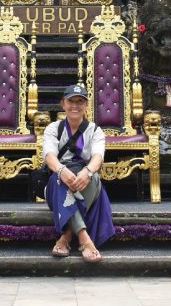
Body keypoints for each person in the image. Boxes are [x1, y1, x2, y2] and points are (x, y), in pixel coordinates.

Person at [42, 84, 114, 263]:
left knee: (94, 178)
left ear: (87, 105)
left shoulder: (95, 130)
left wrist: (88, 171)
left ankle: (66, 236)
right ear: (63, 104)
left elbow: (98, 156)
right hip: (59, 176)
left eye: (80, 101)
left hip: (85, 177)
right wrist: (62, 170)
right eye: (71, 101)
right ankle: (83, 238)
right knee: (60, 181)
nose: (75, 106)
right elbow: (49, 156)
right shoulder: (53, 128)